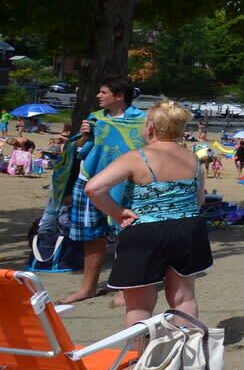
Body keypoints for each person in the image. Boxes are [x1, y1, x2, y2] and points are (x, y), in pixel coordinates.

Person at [84, 100, 210, 325]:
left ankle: (139, 355)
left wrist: (117, 211)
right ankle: (185, 352)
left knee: (139, 304)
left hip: (145, 230)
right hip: (187, 229)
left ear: (150, 127)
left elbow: (94, 188)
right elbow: (199, 199)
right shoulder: (193, 159)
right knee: (183, 297)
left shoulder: (136, 157)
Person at [60, 77, 147, 305]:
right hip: (91, 181)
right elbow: (80, 150)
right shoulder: (95, 118)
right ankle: (88, 288)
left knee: (125, 235)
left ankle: (124, 288)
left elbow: (148, 149)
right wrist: (85, 136)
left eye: (103, 92)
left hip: (126, 184)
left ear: (118, 96)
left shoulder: (142, 120)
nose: (98, 96)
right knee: (91, 235)